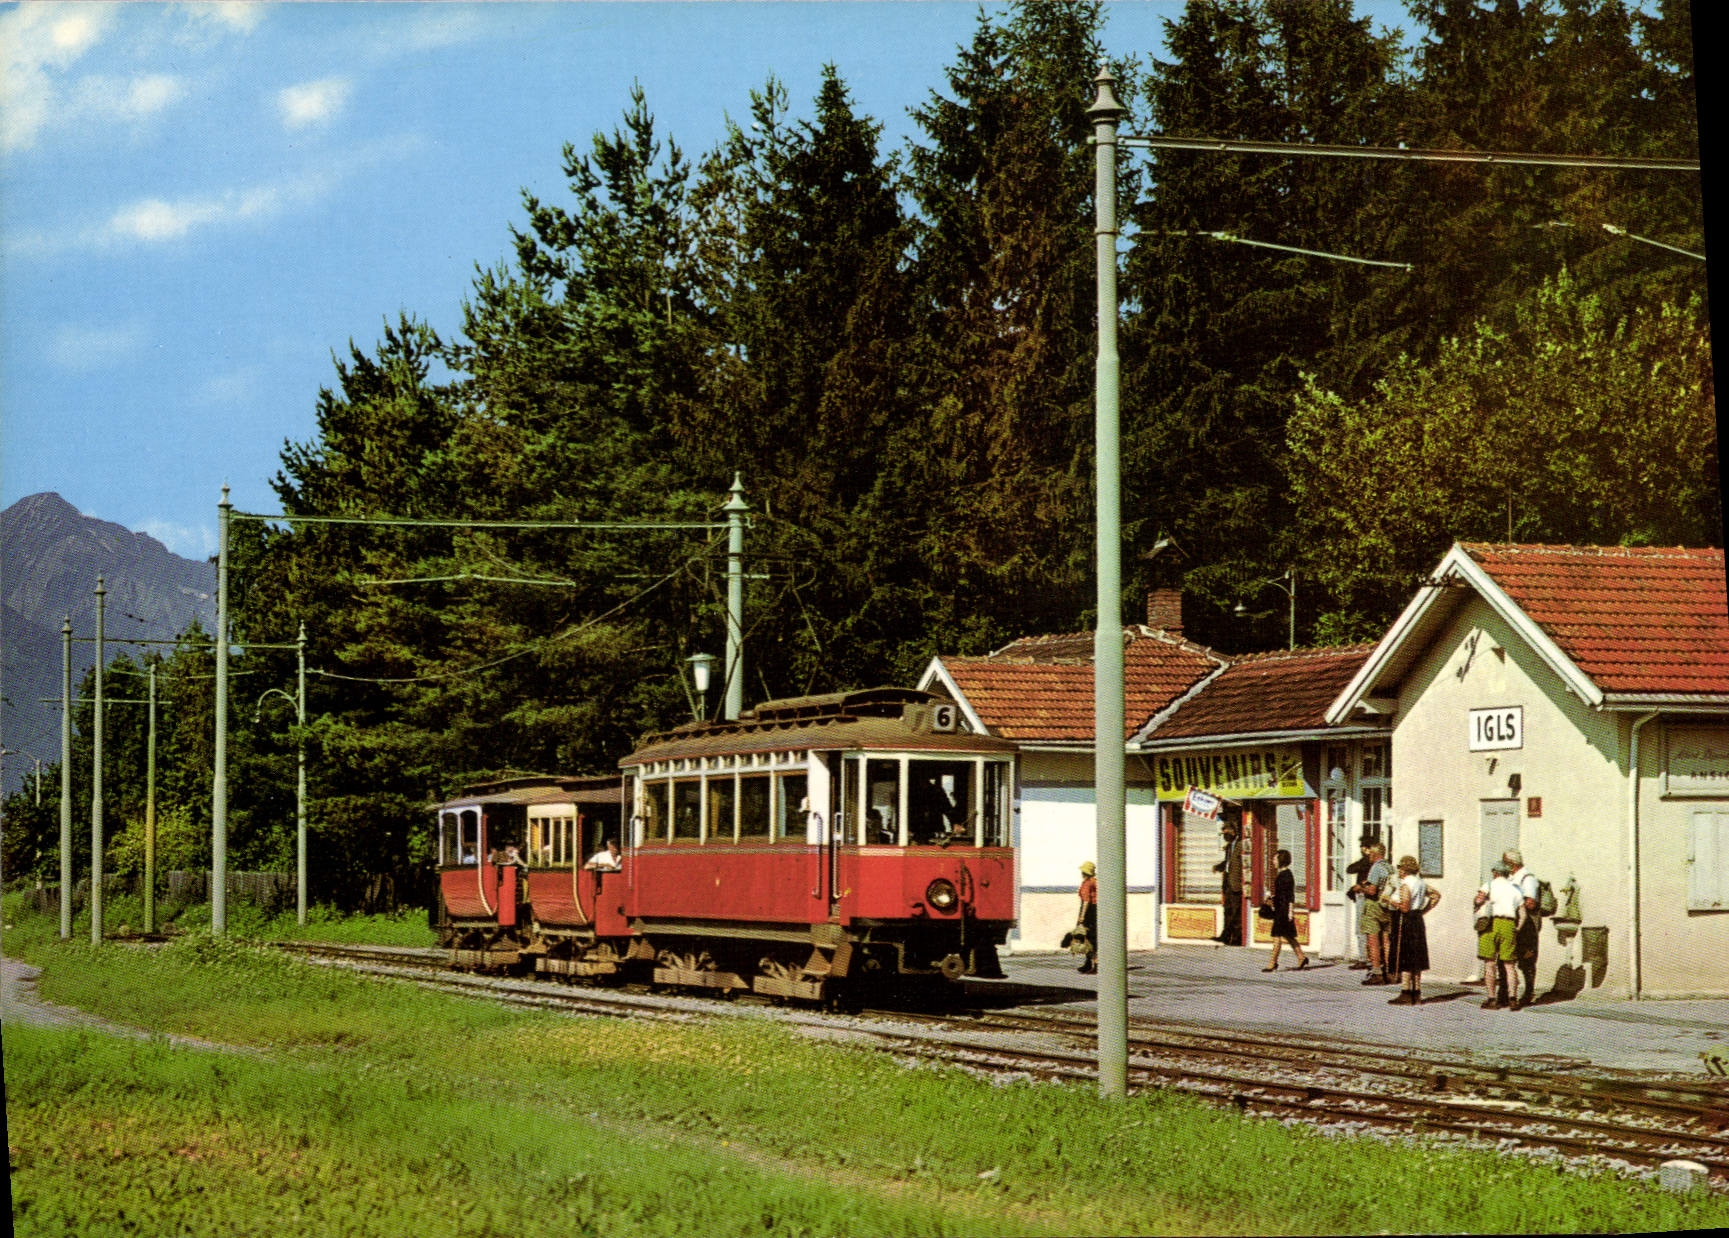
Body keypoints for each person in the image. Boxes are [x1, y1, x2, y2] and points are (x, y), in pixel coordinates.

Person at [1384, 855, 1438, 1005]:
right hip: (1417, 920)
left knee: (1405, 956)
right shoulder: (1420, 883)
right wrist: (1423, 910)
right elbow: (1435, 895)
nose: (1398, 871)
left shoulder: (1406, 884)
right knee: (1417, 957)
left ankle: (1406, 992)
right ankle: (1417, 992)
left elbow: (1405, 907)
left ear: (1404, 869)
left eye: (1400, 868)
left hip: (1405, 921)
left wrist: (1389, 900)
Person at [1474, 861, 1522, 1010]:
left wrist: (1478, 904)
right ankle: (1513, 999)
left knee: (1490, 963)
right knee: (1509, 965)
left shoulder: (1488, 885)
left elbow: (1478, 900)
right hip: (1509, 924)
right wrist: (1518, 927)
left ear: (1495, 872)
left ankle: (1492, 999)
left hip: (1491, 924)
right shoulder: (1515, 889)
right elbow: (1523, 913)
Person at [1262, 849, 1311, 971]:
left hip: (1283, 911)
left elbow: (1289, 896)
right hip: (1280, 909)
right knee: (1288, 936)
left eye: (1275, 859)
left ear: (1281, 860)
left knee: (1277, 937)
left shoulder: (1286, 876)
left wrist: (1290, 911)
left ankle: (1272, 963)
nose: (1273, 861)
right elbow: (1281, 895)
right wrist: (1271, 898)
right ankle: (1301, 957)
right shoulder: (1283, 875)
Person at [1505, 848, 1541, 1007]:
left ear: (1512, 864)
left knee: (1527, 958)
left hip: (1527, 924)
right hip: (1514, 921)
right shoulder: (1512, 877)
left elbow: (1531, 903)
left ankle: (1528, 992)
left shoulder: (1527, 879)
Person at [1354, 844, 1393, 985]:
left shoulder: (1375, 868)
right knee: (1386, 940)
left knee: (1373, 940)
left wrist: (1360, 888)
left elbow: (1372, 891)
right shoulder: (1390, 867)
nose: (1369, 856)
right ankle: (1390, 970)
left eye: (1370, 854)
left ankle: (1377, 972)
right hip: (1387, 906)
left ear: (1375, 855)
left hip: (1374, 906)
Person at [1343, 837, 1376, 969]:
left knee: (1361, 927)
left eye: (1363, 847)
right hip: (1370, 898)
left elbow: (1350, 869)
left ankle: (1363, 958)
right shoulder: (1375, 863)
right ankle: (1370, 957)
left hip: (1364, 896)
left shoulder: (1368, 861)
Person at [1212, 821, 1244, 945]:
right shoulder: (1229, 847)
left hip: (1236, 884)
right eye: (1223, 833)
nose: (1225, 836)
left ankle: (1237, 938)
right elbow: (1227, 862)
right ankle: (1225, 936)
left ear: (1233, 832)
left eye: (1226, 833)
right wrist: (1218, 867)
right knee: (1228, 910)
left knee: (1236, 912)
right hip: (1228, 884)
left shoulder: (1240, 845)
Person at [1076, 861, 1099, 975]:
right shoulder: (1095, 881)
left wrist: (1082, 917)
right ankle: (1088, 963)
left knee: (1088, 939)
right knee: (1090, 938)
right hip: (1095, 911)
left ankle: (1095, 964)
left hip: (1089, 912)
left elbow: (1086, 901)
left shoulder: (1087, 884)